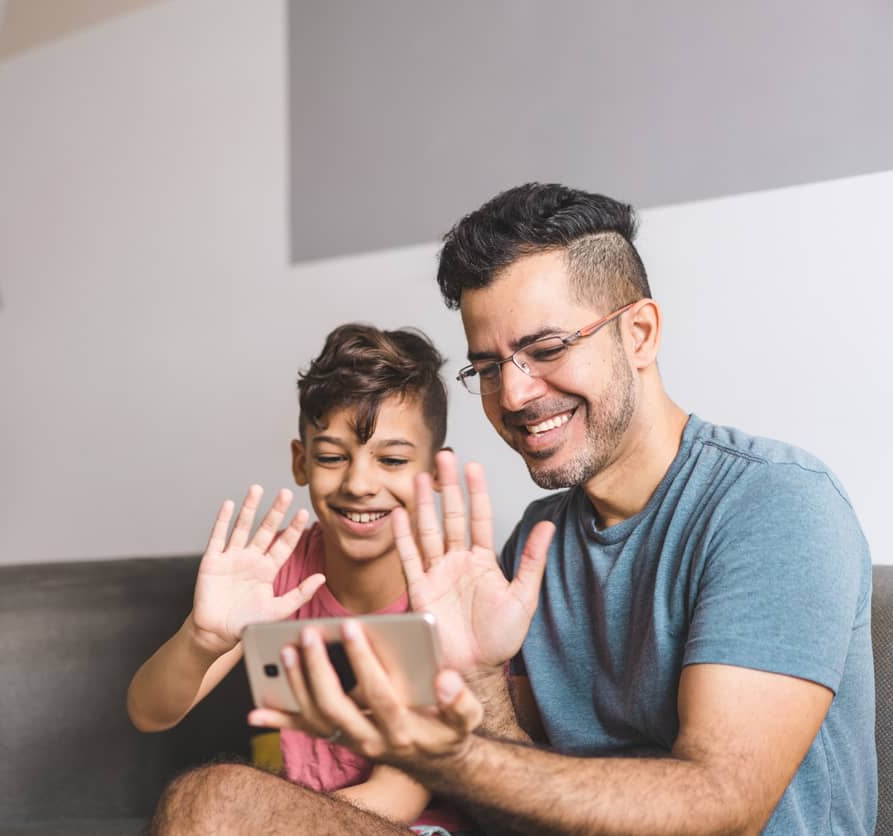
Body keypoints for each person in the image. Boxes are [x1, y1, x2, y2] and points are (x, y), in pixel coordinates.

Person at [152, 183, 875, 835]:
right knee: (211, 804)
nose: (516, 395)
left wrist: (446, 755)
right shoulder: (537, 540)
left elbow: (723, 805)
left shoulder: (773, 503)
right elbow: (516, 791)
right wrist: (475, 680)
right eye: (490, 367)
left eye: (547, 348)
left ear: (640, 333)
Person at [128, 323, 473, 833]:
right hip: (292, 820)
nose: (359, 484)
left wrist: (255, 818)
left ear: (438, 473)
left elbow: (396, 797)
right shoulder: (281, 570)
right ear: (301, 461)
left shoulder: (449, 590)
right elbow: (149, 712)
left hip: (406, 826)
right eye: (333, 457)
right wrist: (201, 639)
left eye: (393, 460)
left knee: (217, 805)